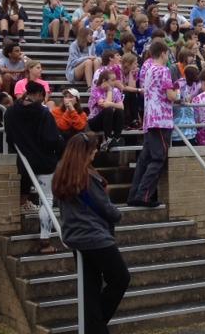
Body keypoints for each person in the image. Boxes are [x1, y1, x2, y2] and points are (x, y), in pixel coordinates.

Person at [52, 132, 130, 334]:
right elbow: (106, 209)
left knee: (89, 288)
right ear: (85, 152)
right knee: (120, 278)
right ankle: (95, 327)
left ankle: (92, 326)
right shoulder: (87, 176)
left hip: (75, 237)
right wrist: (118, 214)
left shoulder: (61, 173)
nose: (95, 152)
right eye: (93, 149)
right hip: (96, 237)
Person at [4, 81, 64, 251]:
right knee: (47, 199)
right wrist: (59, 151)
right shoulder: (43, 113)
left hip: (23, 161)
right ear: (38, 94)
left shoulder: (11, 112)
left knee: (35, 196)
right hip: (44, 162)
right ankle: (45, 240)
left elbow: (9, 137)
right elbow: (51, 139)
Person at [127, 41, 179, 207]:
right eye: (167, 53)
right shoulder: (163, 70)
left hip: (150, 118)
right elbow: (171, 95)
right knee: (158, 159)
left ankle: (134, 195)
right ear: (163, 52)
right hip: (161, 120)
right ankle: (143, 196)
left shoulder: (148, 69)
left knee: (144, 160)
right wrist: (178, 92)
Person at [88, 70, 125, 150]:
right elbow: (105, 106)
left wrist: (111, 103)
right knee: (108, 110)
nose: (115, 82)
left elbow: (121, 106)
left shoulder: (115, 90)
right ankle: (108, 138)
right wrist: (109, 91)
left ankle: (116, 138)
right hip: (95, 121)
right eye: (112, 80)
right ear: (104, 81)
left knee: (120, 111)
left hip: (109, 121)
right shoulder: (95, 90)